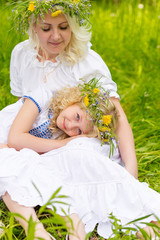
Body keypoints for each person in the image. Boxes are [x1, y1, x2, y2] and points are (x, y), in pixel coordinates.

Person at [9, 0, 138, 178]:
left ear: (73, 27)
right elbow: (17, 110)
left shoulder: (84, 60)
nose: (56, 36)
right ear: (33, 27)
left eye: (63, 27)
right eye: (46, 28)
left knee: (84, 149)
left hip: (76, 136)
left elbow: (118, 116)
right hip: (41, 140)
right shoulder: (21, 54)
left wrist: (131, 169)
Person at [0, 79, 119, 240]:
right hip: (6, 153)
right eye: (77, 116)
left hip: (11, 166)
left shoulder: (60, 132)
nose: (71, 126)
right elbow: (15, 140)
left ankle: (73, 230)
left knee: (39, 171)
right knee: (14, 159)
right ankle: (37, 232)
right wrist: (62, 144)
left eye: (78, 130)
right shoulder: (42, 96)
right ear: (75, 100)